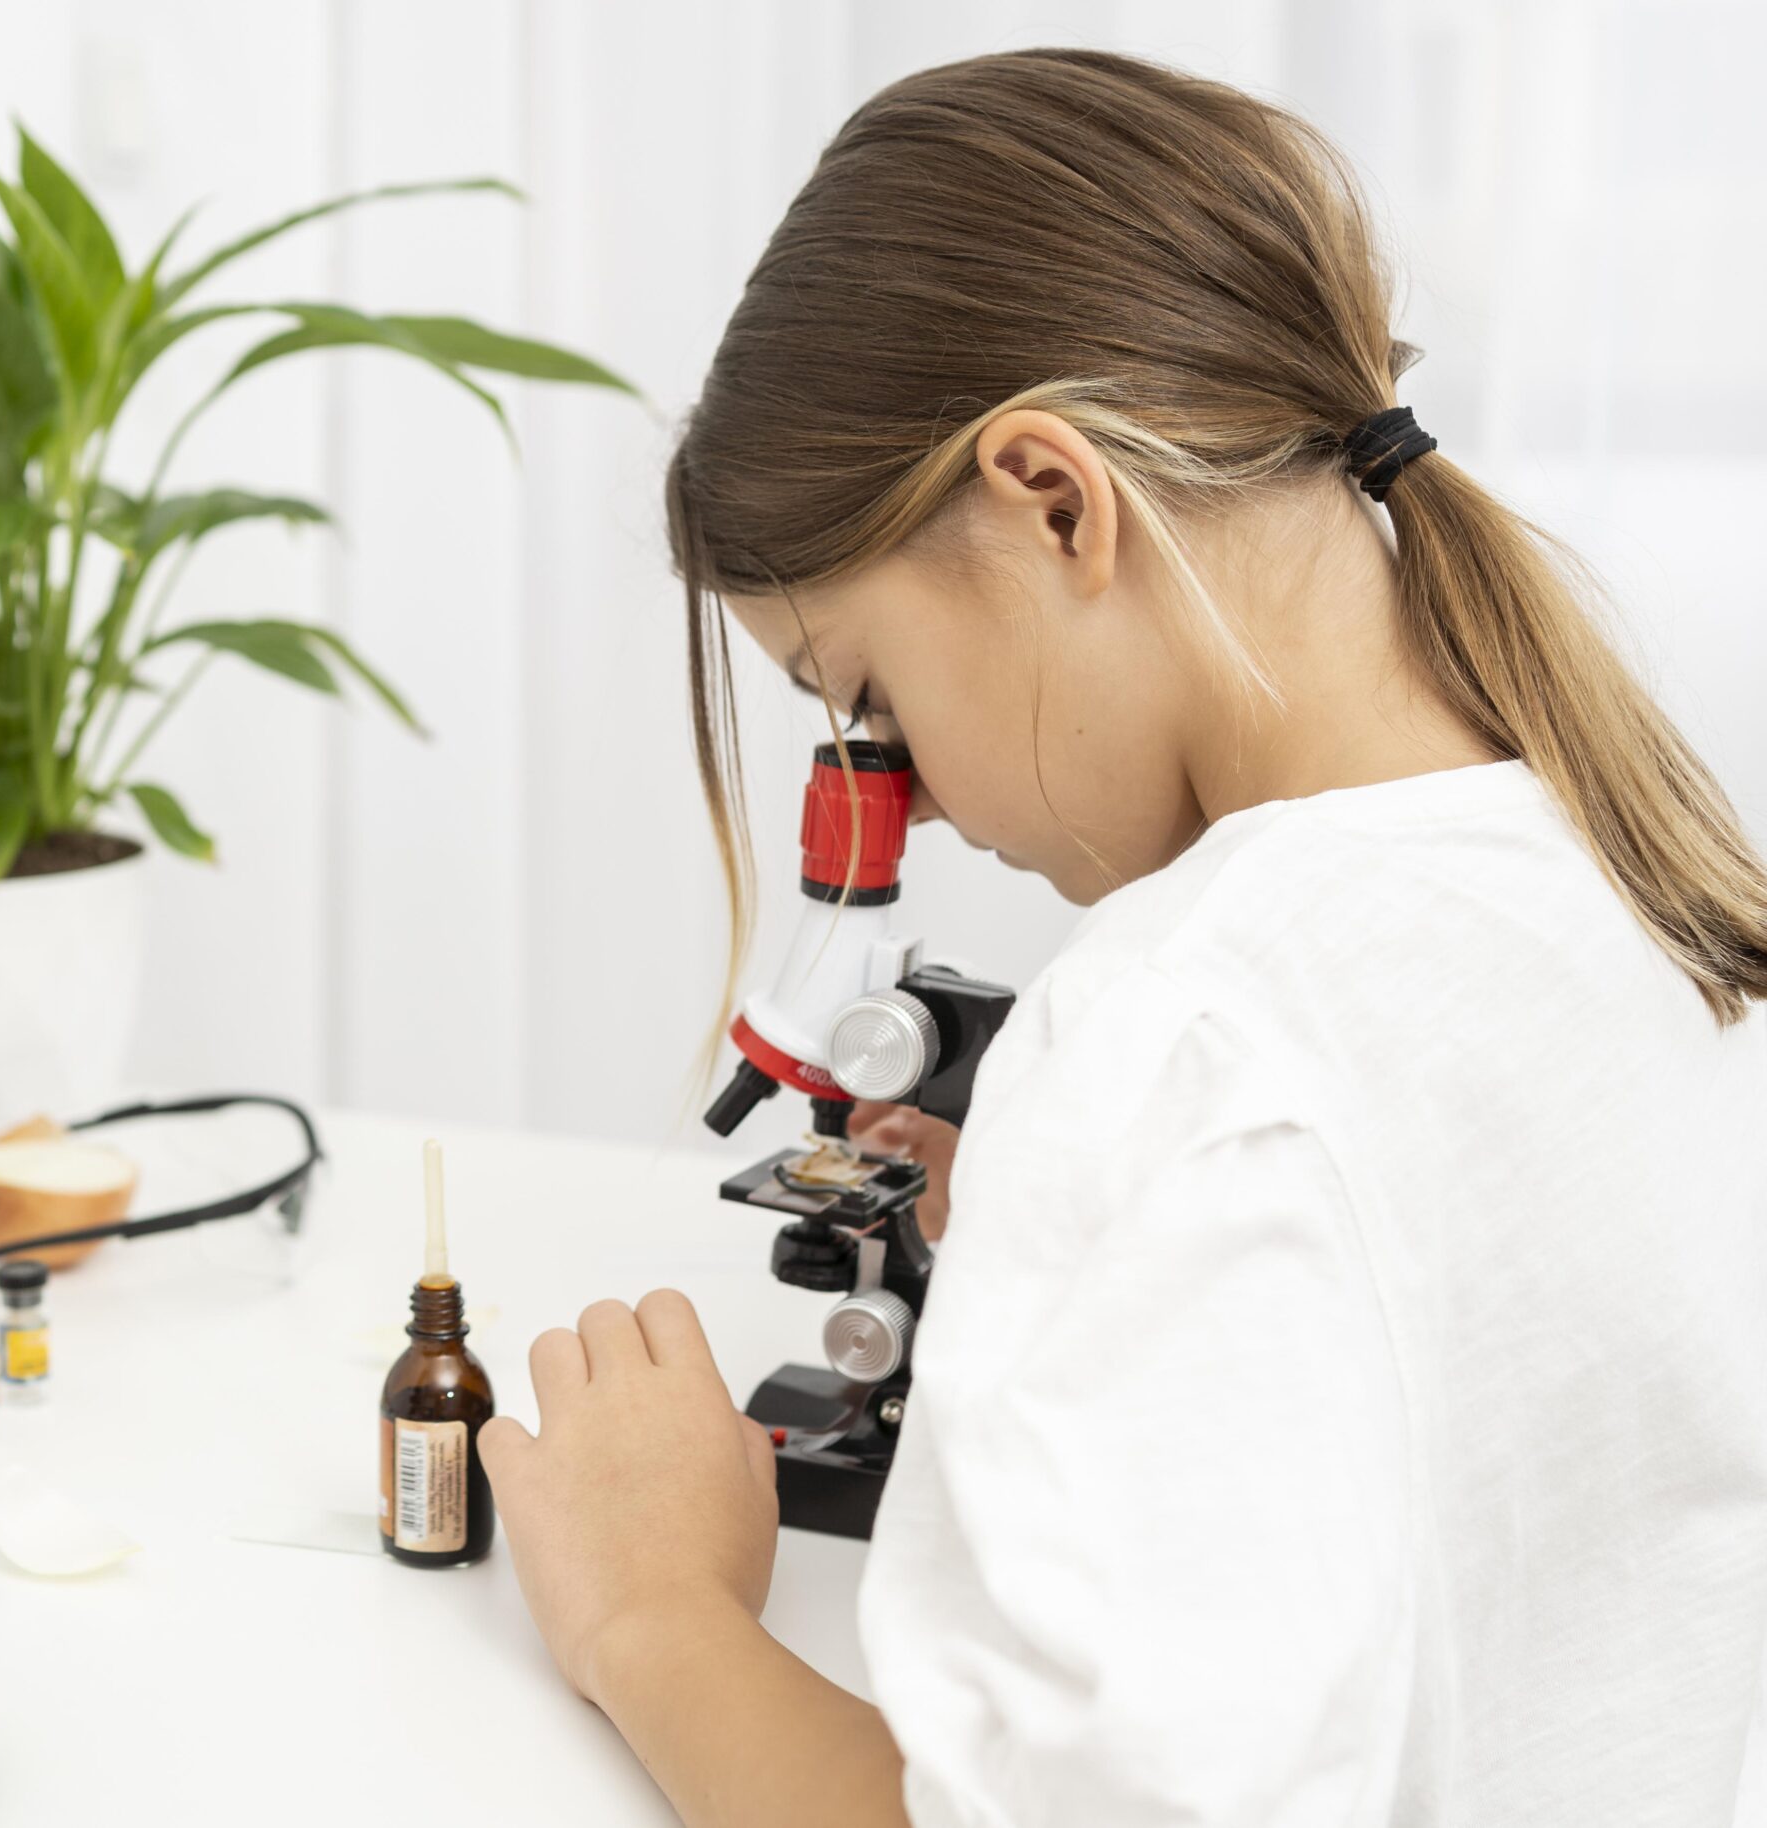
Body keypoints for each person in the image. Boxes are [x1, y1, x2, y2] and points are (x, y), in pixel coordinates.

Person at [478, 48, 1767, 1828]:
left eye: (868, 701)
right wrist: (1089, 1243)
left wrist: (651, 1606)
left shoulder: (1186, 1035)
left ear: (1054, 497)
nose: (901, 803)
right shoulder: (1637, 868)